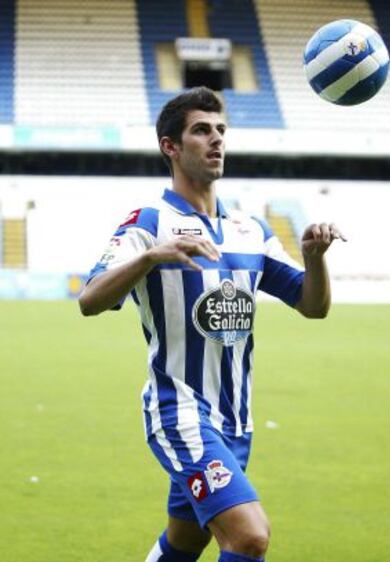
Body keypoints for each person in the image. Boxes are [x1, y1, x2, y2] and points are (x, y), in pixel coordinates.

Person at [79, 86, 346, 562]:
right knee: (249, 537)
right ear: (171, 147)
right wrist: (152, 257)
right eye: (201, 130)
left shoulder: (251, 230)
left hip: (235, 422)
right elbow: (90, 299)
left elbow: (313, 305)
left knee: (185, 542)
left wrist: (314, 259)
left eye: (221, 130)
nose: (216, 139)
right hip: (179, 413)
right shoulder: (148, 223)